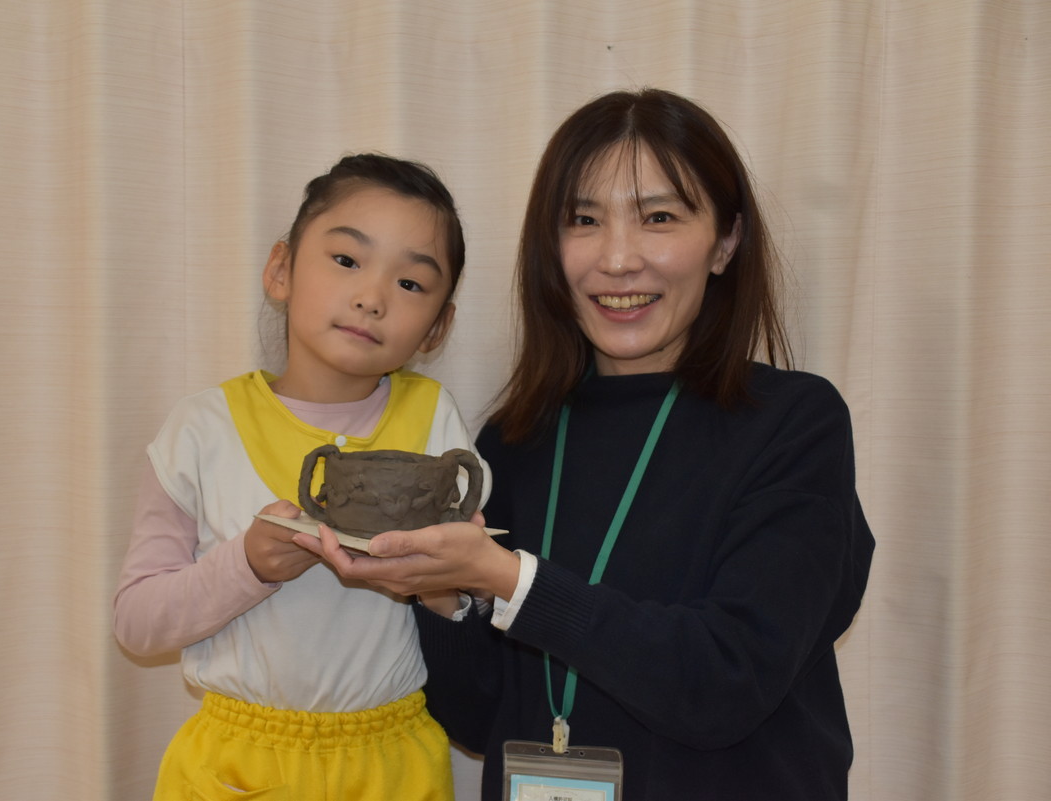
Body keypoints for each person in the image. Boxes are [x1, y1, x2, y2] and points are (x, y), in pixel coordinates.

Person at [298, 89, 875, 800]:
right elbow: (478, 718)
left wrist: (510, 579)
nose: (618, 259)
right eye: (584, 220)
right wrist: (441, 592)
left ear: (725, 243)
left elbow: (725, 682)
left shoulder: (794, 423)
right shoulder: (514, 439)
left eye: (659, 217)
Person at [113, 153, 491, 801]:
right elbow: (137, 624)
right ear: (281, 270)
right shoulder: (202, 429)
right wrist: (248, 565)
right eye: (346, 259)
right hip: (236, 763)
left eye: (410, 283)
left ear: (439, 326)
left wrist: (443, 587)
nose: (371, 297)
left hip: (392, 764)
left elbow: (474, 604)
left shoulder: (437, 423)